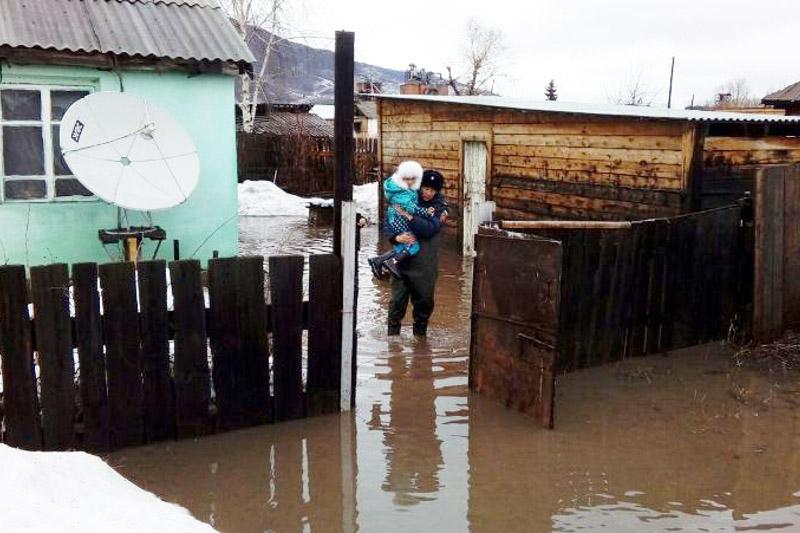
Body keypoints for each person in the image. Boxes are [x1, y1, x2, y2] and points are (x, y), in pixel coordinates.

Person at [387, 169, 448, 336]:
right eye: (425, 188)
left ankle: (420, 341)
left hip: (425, 266)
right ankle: (392, 343)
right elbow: (390, 220)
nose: (428, 193)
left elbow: (429, 229)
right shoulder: (407, 197)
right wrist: (395, 237)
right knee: (396, 303)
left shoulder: (439, 207)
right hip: (401, 262)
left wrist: (409, 216)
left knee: (424, 303)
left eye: (433, 190)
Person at [368, 161, 435, 279]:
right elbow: (411, 207)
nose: (410, 182)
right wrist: (426, 212)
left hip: (399, 220)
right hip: (400, 220)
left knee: (402, 247)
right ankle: (391, 262)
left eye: (413, 179)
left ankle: (378, 261)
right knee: (413, 245)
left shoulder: (404, 189)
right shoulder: (402, 192)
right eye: (406, 179)